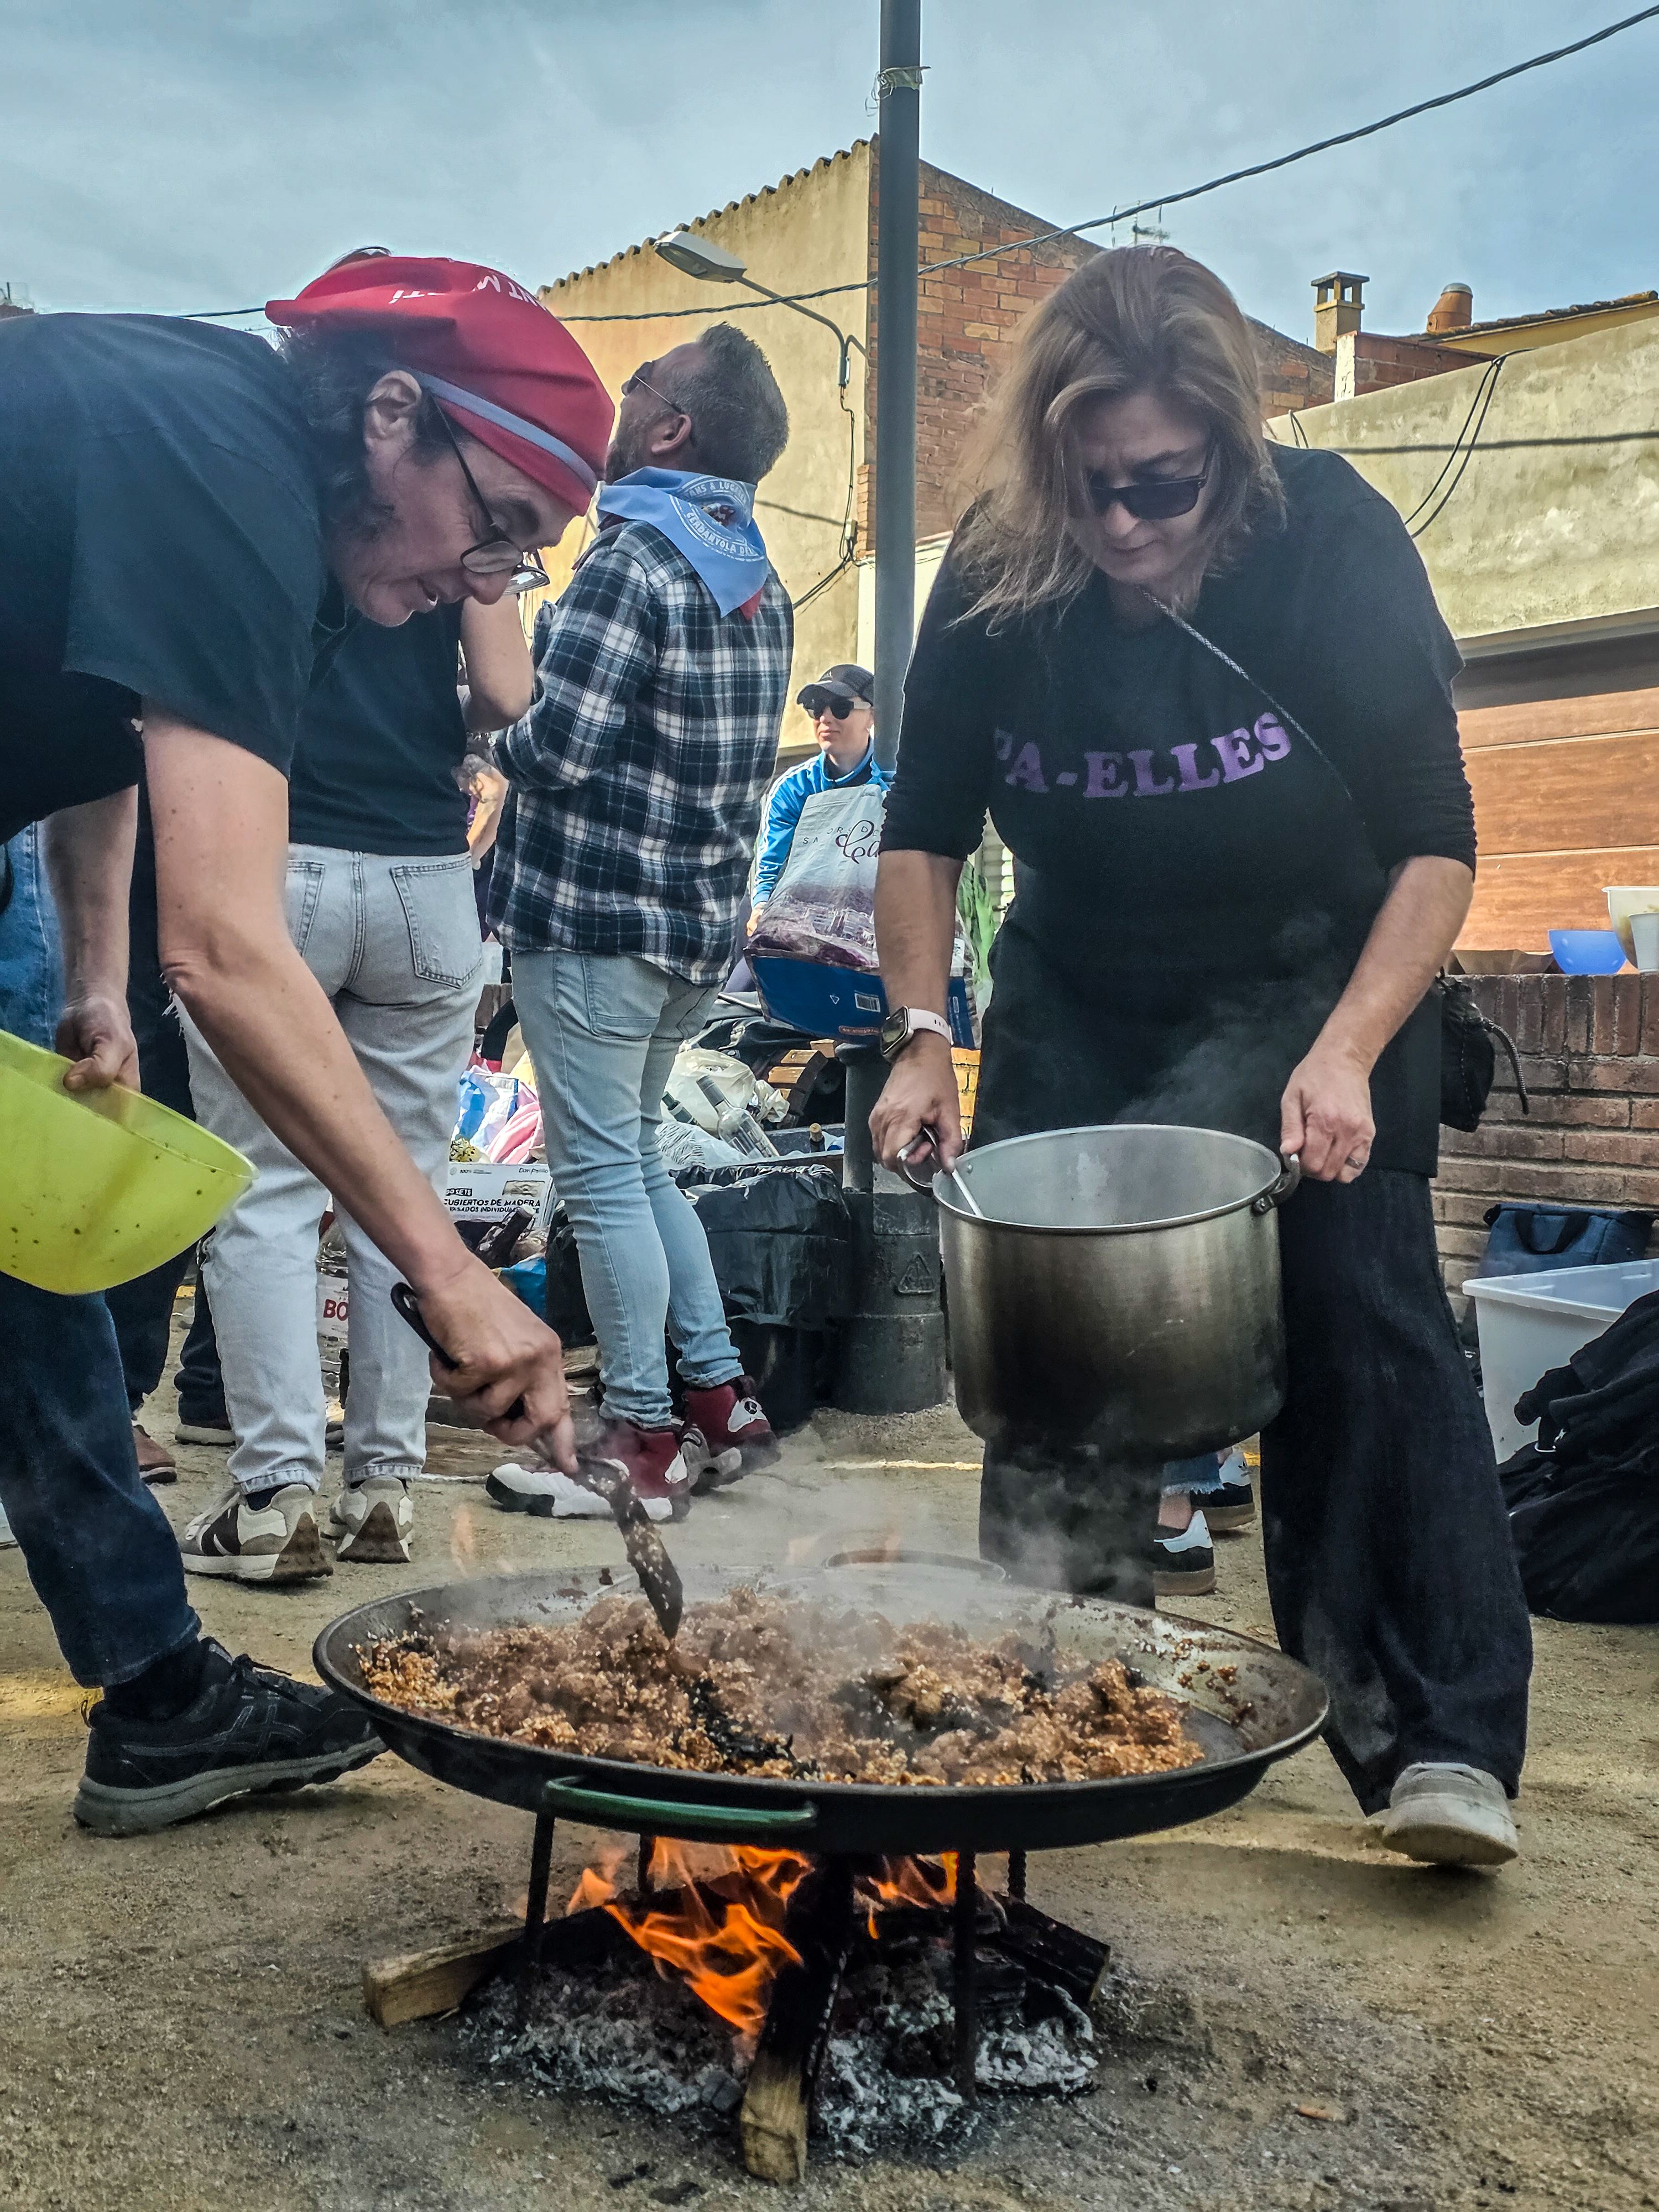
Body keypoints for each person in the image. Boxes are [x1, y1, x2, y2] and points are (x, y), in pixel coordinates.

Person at [869, 247, 1532, 1870]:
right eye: (1091, 487)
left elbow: (1432, 841)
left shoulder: (1330, 546)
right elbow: (922, 829)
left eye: (1159, 487)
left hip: (1321, 982)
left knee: (1360, 1319)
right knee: (1054, 1351)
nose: (1121, 525)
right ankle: (1065, 1701)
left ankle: (1428, 1744)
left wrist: (1345, 1050)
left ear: (1227, 453)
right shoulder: (993, 580)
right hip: (1083, 993)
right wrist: (914, 1040)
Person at [0, 254, 609, 1834]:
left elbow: (103, 727)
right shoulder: (227, 468)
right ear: (392, 416)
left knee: (21, 1253)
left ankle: (154, 1692)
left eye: (521, 564)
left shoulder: (251, 495)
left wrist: (86, 972)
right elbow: (227, 949)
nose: (489, 583)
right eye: (496, 530)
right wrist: (455, 1277)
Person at [485, 324, 793, 1522]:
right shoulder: (748, 571)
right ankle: (723, 1399)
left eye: (640, 386)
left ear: (672, 428)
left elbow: (554, 745)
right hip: (690, 930)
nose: (622, 399)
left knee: (602, 1172)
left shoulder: (630, 561)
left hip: (597, 920)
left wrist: (473, 716)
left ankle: (643, 1440)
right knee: (641, 1161)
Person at [176, 593, 532, 1582]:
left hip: (274, 853)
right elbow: (507, 689)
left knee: (264, 1185)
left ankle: (274, 1498)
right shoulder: (452, 500)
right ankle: (383, 1485)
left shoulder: (269, 493)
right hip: (423, 873)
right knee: (403, 1188)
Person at [750, 664, 889, 911]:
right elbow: (771, 865)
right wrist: (761, 907)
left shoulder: (895, 782)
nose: (826, 718)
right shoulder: (792, 789)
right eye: (817, 708)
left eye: (841, 708)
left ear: (873, 715)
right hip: (808, 923)